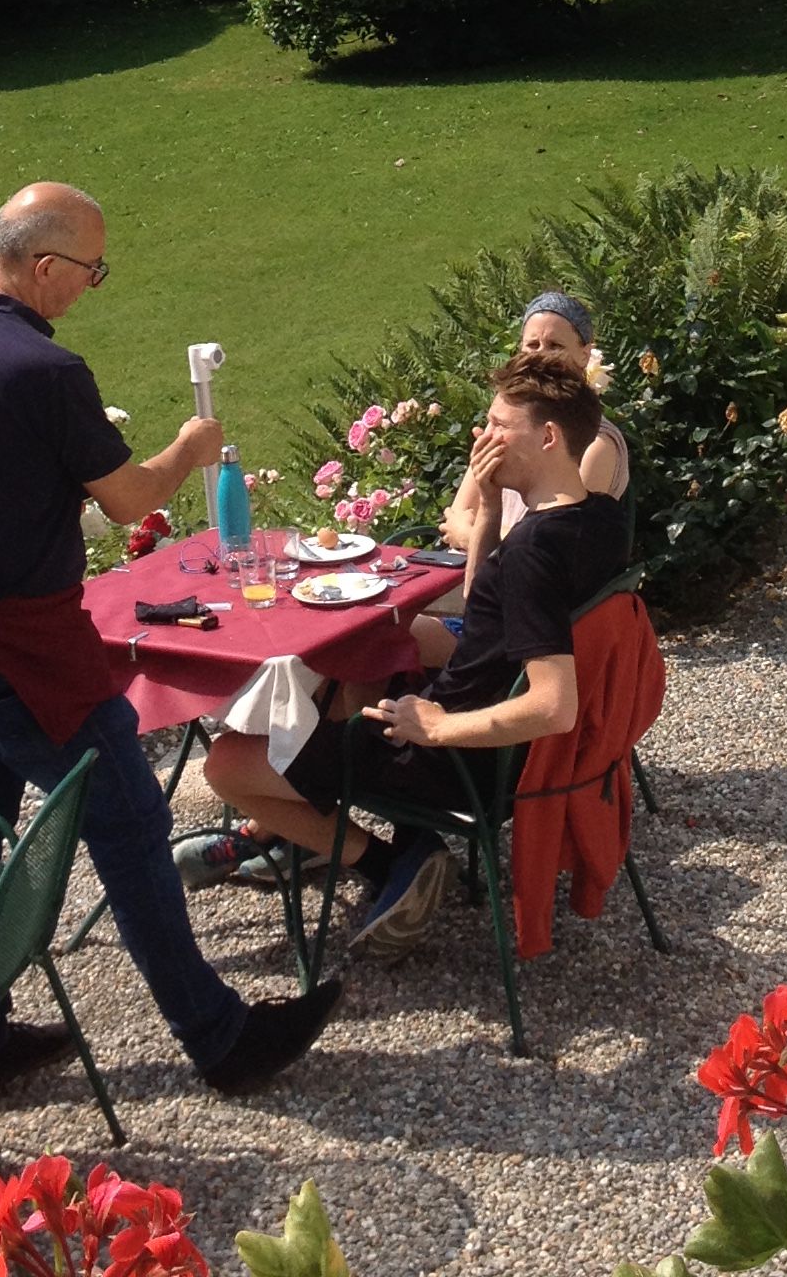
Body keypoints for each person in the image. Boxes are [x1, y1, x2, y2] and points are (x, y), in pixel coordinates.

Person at [0, 181, 340, 1097]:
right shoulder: (43, 372)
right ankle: (220, 1038)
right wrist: (189, 447)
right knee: (128, 824)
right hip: (18, 649)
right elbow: (132, 499)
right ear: (44, 266)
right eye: (92, 271)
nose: (92, 286)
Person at [182, 352, 631, 962]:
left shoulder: (534, 556)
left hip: (461, 762)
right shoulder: (600, 517)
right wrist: (493, 513)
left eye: (500, 426)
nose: (485, 437)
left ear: (548, 437)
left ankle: (391, 858)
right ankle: (302, 826)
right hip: (505, 746)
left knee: (229, 765)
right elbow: (486, 609)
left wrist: (439, 726)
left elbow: (555, 705)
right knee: (357, 666)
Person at [420, 289, 630, 669]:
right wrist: (480, 536)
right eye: (531, 344)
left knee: (375, 643)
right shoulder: (508, 431)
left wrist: (475, 537)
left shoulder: (590, 443)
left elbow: (559, 550)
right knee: (366, 639)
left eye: (554, 344)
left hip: (509, 617)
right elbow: (455, 515)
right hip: (469, 589)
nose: (540, 355)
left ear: (586, 354)